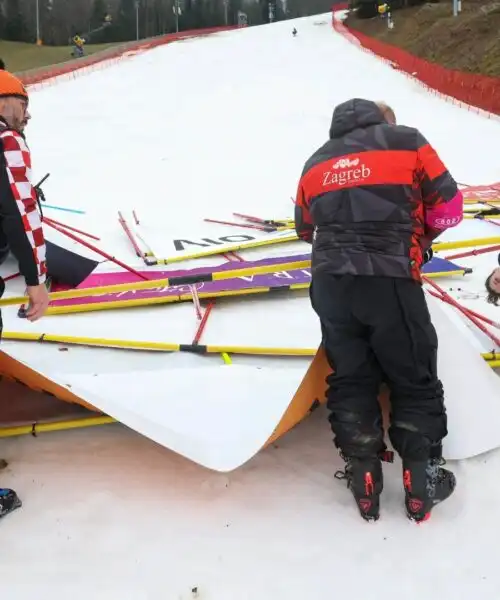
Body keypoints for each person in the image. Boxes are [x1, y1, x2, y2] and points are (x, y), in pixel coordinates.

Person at [294, 98, 464, 523]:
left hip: (330, 283)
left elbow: (303, 229)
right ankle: (421, 483)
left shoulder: (315, 161)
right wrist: (419, 238)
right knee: (413, 374)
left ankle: (364, 480)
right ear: (386, 121)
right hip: (389, 278)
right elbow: (450, 210)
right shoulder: (405, 141)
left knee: (351, 375)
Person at [0, 69, 50, 518]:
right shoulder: (6, 141)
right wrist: (36, 279)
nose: (27, 114)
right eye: (22, 102)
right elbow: (20, 212)